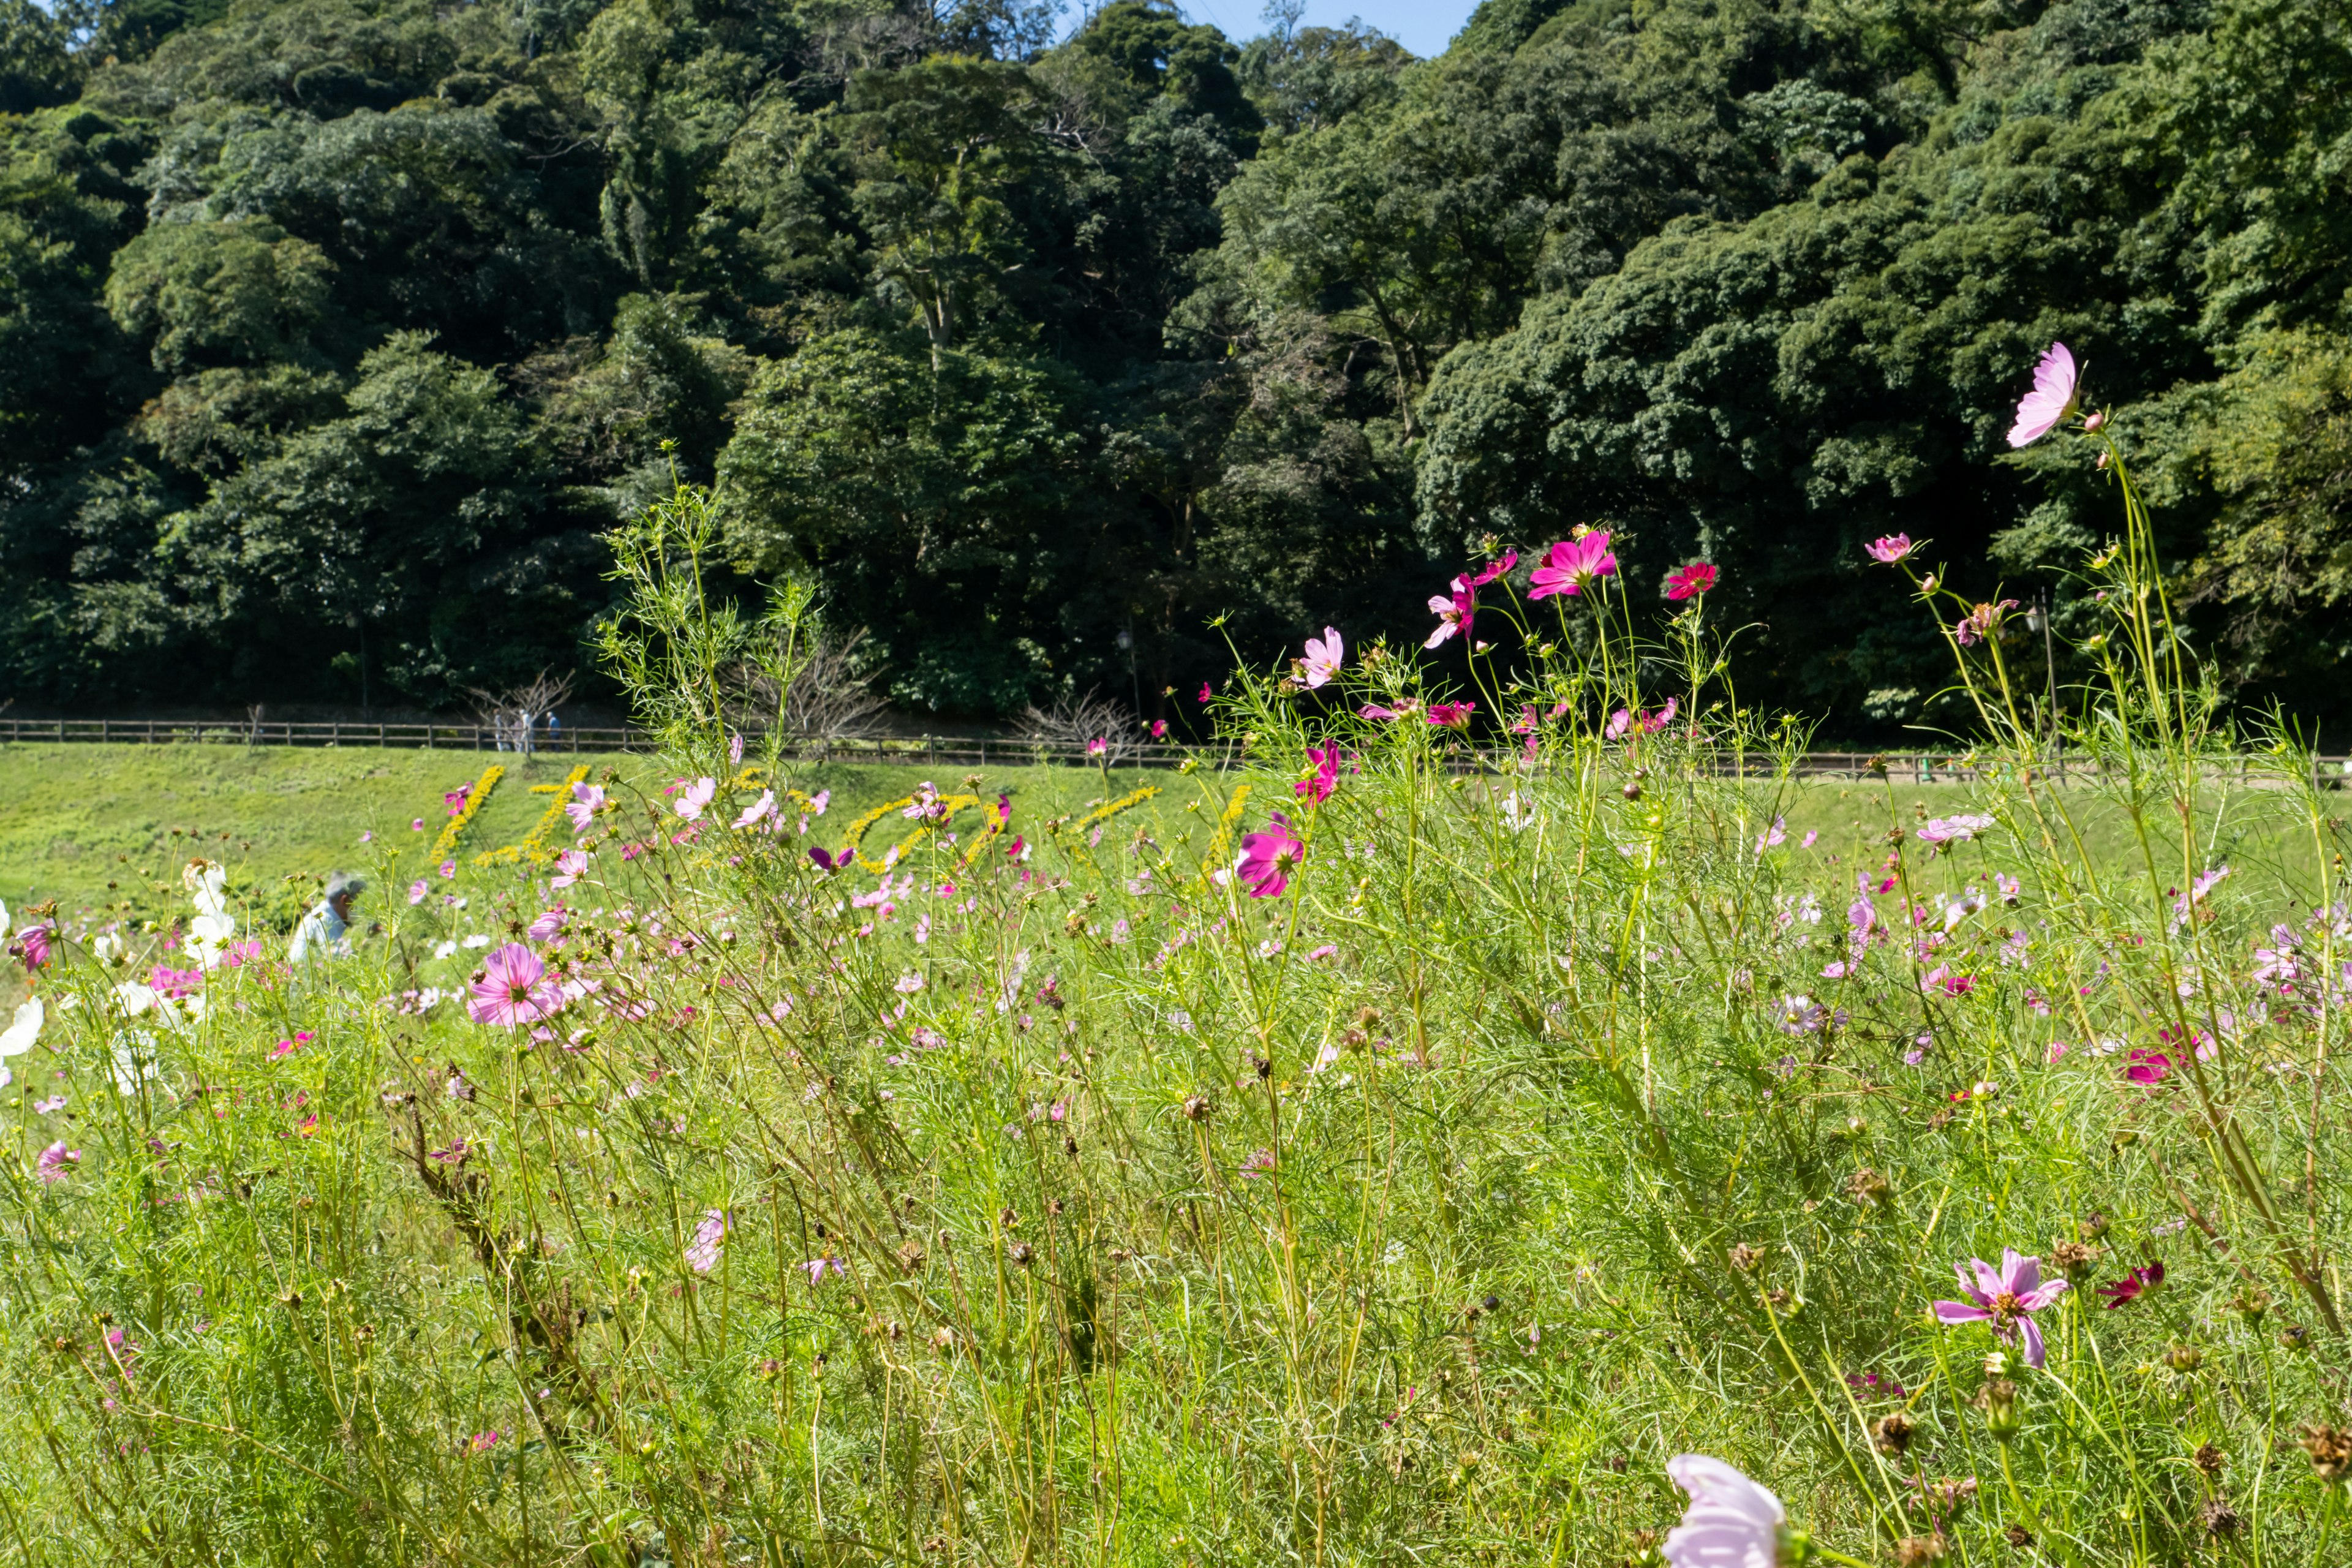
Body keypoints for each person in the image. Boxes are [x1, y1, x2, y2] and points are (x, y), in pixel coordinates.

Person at [290, 871, 366, 962]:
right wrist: (366, 944)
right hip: (307, 975)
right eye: (357, 901)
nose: (360, 907)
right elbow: (337, 960)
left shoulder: (325, 916)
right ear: (345, 900)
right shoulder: (324, 919)